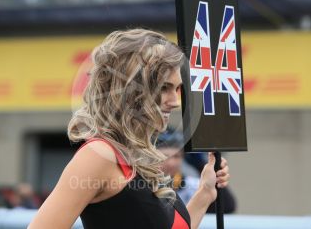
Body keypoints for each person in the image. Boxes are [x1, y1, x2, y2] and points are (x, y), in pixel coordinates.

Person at [29, 28, 230, 229]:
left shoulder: (139, 157)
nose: (175, 102)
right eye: (163, 88)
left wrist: (205, 192)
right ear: (130, 90)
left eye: (177, 89)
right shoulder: (98, 154)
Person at [158, 128, 236, 213]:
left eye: (176, 156)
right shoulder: (144, 186)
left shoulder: (193, 186)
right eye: (164, 156)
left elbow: (227, 207)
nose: (171, 163)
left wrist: (201, 165)